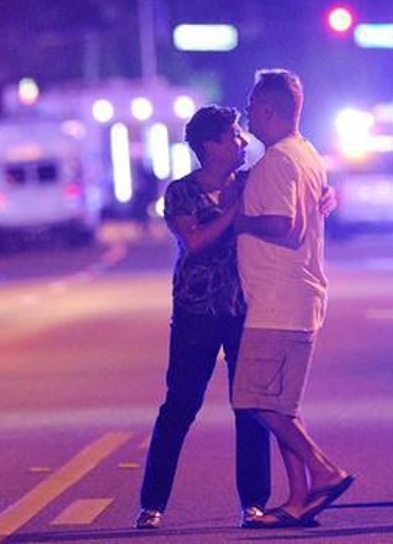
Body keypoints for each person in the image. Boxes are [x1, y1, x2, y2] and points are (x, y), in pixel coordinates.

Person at [135, 105, 271, 530]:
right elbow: (194, 240)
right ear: (211, 146)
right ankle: (152, 504)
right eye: (233, 136)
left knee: (249, 405)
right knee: (180, 405)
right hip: (196, 310)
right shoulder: (181, 192)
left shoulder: (251, 181)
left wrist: (325, 197)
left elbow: (292, 197)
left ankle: (254, 502)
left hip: (244, 307)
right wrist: (234, 211)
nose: (242, 142)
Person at [232, 69, 354, 529]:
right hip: (294, 297)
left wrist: (239, 222)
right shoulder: (306, 154)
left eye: (250, 106)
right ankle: (299, 499)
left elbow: (286, 226)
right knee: (282, 405)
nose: (247, 114)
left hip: (278, 301)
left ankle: (324, 471)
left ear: (267, 109)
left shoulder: (279, 160)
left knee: (253, 399)